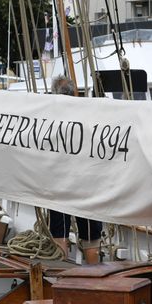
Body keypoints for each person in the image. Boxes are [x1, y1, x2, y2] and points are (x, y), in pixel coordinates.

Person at [48, 75, 102, 264]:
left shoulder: (50, 119)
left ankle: (61, 276)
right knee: (90, 235)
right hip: (85, 183)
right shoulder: (89, 117)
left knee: (59, 230)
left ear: (55, 94)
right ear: (74, 93)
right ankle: (95, 276)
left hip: (59, 182)